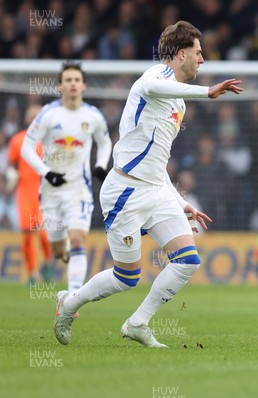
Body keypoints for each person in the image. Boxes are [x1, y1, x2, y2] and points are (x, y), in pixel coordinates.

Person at [53, 21, 242, 348]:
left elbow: (156, 162)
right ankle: (69, 303)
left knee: (187, 261)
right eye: (198, 53)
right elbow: (155, 89)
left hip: (156, 190)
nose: (202, 60)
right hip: (125, 190)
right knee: (127, 277)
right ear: (181, 54)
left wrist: (181, 202)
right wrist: (208, 92)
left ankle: (137, 323)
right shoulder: (154, 78)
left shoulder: (179, 104)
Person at [21, 61, 112, 295]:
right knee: (59, 249)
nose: (73, 84)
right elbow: (27, 147)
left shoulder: (93, 116)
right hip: (51, 192)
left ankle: (71, 298)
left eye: (77, 80)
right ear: (60, 86)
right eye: (68, 80)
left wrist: (101, 166)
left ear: (84, 86)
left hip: (78, 190)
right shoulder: (49, 114)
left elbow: (105, 142)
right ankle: (64, 247)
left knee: (78, 240)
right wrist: (47, 173)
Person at [7, 104, 53, 284]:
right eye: (32, 116)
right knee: (27, 234)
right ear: (27, 119)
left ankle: (48, 262)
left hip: (44, 194)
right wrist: (11, 176)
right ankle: (32, 274)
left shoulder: (50, 141)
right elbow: (10, 166)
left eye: (38, 116)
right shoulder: (18, 140)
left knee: (43, 234)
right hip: (24, 193)